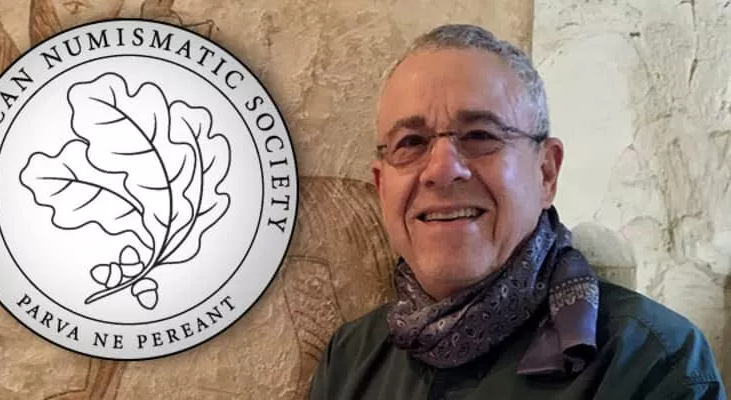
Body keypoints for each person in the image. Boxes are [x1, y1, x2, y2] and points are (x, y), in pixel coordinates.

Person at [308, 24, 726, 399]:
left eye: (480, 135)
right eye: (411, 142)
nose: (441, 170)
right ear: (382, 187)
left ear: (546, 173)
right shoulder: (348, 360)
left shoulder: (653, 365)